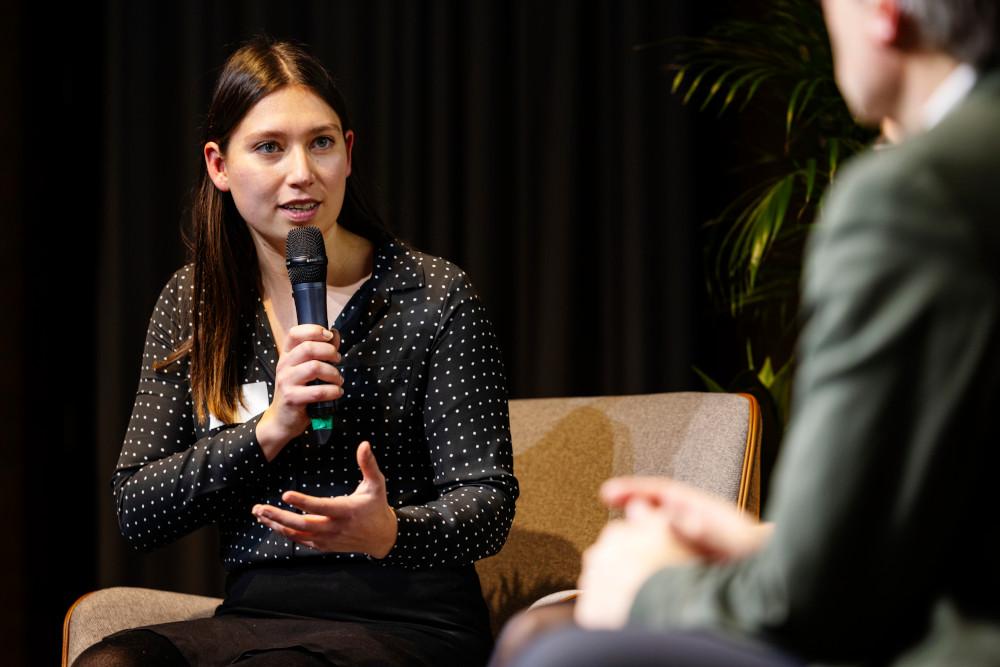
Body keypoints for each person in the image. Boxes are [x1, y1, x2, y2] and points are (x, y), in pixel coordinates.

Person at [505, 1, 1000, 665]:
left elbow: (816, 604)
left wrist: (649, 586)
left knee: (556, 652)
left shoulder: (919, 192)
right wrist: (765, 543)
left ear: (883, 11)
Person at [76, 37, 518, 667]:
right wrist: (269, 428)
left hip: (409, 619)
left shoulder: (432, 294)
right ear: (219, 165)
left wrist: (392, 530)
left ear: (348, 152)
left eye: (322, 142)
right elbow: (138, 508)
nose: (301, 173)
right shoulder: (196, 300)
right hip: (258, 615)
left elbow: (488, 500)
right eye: (269, 148)